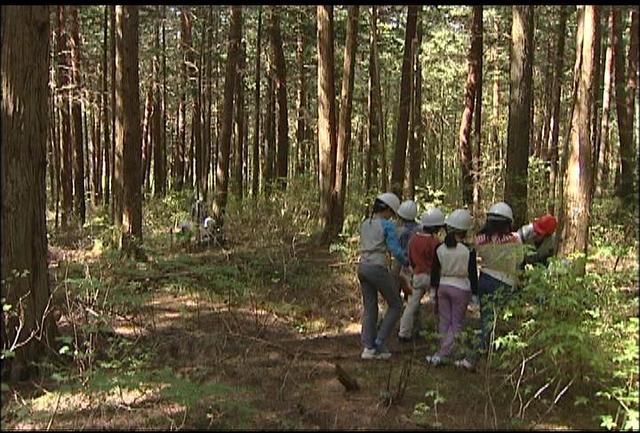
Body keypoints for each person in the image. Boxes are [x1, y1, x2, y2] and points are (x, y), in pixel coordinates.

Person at [455, 202, 525, 370]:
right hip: (505, 282)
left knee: (486, 320)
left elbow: (473, 260)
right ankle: (474, 358)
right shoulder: (515, 239)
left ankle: (484, 352)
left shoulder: (480, 239)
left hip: (485, 280)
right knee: (496, 323)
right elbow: (521, 262)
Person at [357, 192, 409, 360]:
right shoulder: (387, 225)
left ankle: (368, 347)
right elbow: (394, 249)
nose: (391, 217)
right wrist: (407, 261)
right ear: (386, 209)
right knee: (396, 304)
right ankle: (380, 341)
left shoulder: (365, 223)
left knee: (370, 307)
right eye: (391, 212)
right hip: (377, 268)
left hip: (362, 267)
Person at [425, 209, 478, 366]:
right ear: (465, 231)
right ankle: (443, 354)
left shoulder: (440, 248)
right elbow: (473, 274)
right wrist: (475, 293)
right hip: (461, 288)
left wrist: (433, 289)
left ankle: (442, 350)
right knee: (456, 323)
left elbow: (435, 271)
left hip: (443, 286)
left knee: (444, 321)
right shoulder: (468, 250)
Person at [398, 207, 445, 342]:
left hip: (417, 275)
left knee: (411, 306)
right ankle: (439, 333)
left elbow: (410, 258)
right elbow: (439, 261)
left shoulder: (413, 239)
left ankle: (404, 333)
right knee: (438, 306)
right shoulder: (435, 242)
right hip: (432, 277)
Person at [390, 200, 419, 300]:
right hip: (414, 262)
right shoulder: (419, 228)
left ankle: (396, 305)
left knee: (394, 285)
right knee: (411, 287)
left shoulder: (398, 229)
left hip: (400, 260)